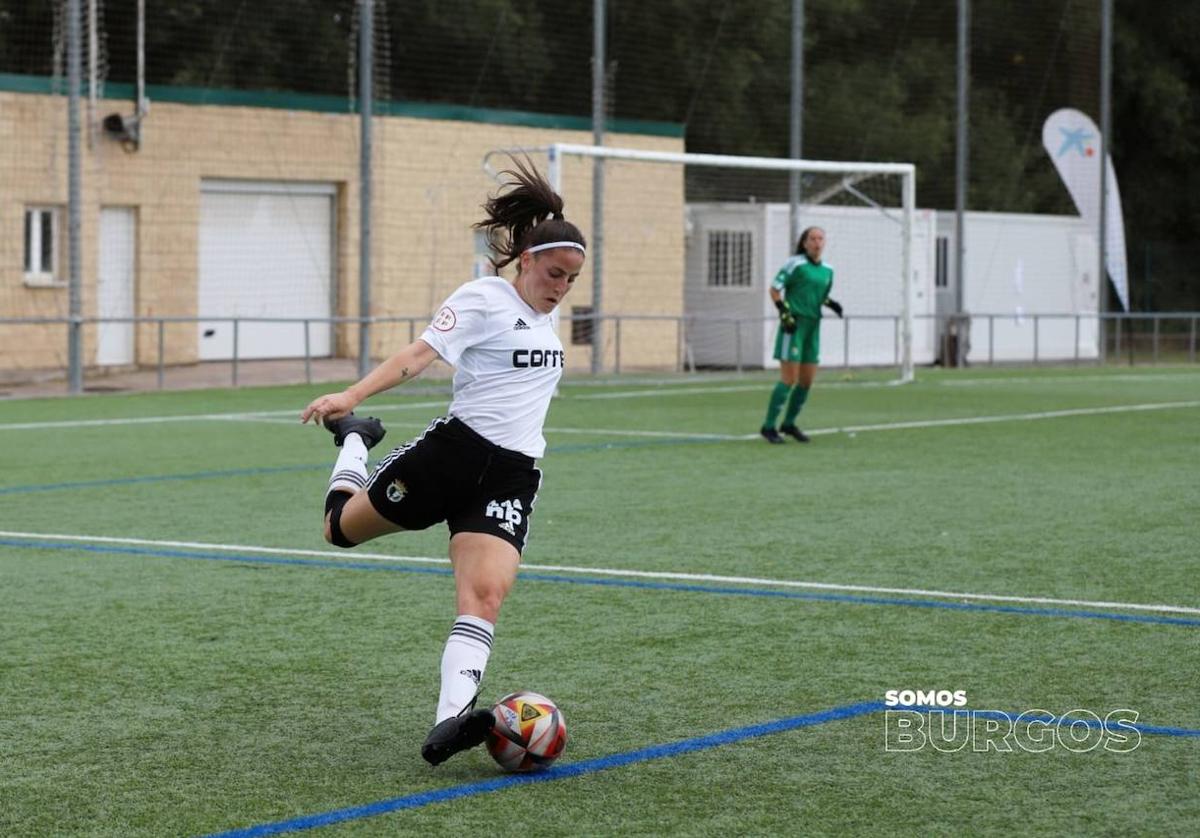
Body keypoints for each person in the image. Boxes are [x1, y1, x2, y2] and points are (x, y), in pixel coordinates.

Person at [299, 157, 586, 766]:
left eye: (571, 279)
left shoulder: (547, 310)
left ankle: (447, 724)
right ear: (526, 262)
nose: (561, 288)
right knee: (337, 530)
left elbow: (551, 245)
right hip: (450, 457)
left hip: (511, 475)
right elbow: (419, 354)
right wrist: (349, 399)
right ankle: (354, 440)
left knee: (484, 596)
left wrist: (552, 226)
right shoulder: (482, 298)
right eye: (554, 273)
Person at [759, 226, 843, 444]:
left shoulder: (828, 270)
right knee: (789, 379)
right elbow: (775, 289)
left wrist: (831, 303)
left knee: (806, 382)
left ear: (824, 243)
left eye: (820, 238)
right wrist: (785, 313)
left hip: (813, 328)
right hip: (794, 327)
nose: (817, 242)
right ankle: (768, 427)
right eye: (812, 238)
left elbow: (819, 296)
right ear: (805, 243)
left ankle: (788, 424)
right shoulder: (795, 264)